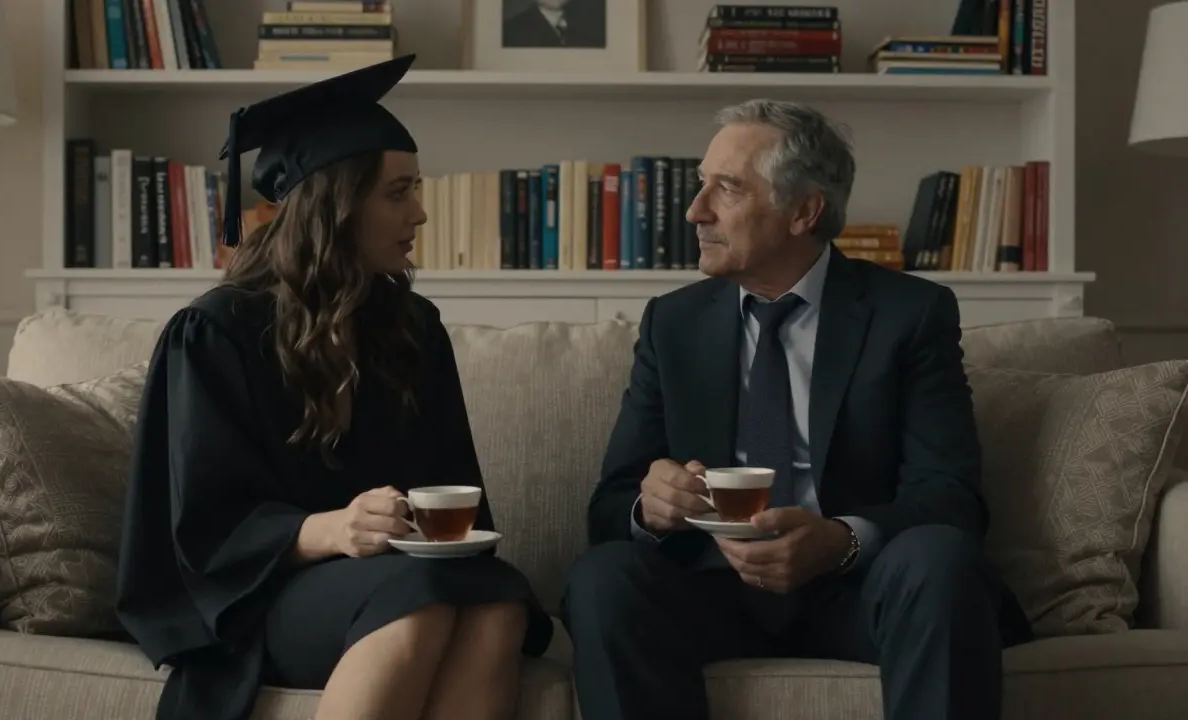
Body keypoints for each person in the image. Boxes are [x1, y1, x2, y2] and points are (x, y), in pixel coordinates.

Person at [559, 99, 1034, 720]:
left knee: (941, 559)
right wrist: (650, 509)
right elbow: (610, 504)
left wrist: (839, 542)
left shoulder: (909, 315)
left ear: (804, 211)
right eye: (702, 185)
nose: (694, 210)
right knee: (603, 575)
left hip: (858, 590)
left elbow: (951, 497)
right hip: (709, 589)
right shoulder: (673, 323)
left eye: (725, 188)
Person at [114, 54, 553, 720]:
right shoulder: (216, 332)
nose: (421, 213)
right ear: (335, 205)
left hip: (401, 576)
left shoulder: (413, 327)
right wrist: (332, 529)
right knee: (419, 604)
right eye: (398, 191)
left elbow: (454, 492)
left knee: (498, 601)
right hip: (263, 590)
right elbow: (202, 530)